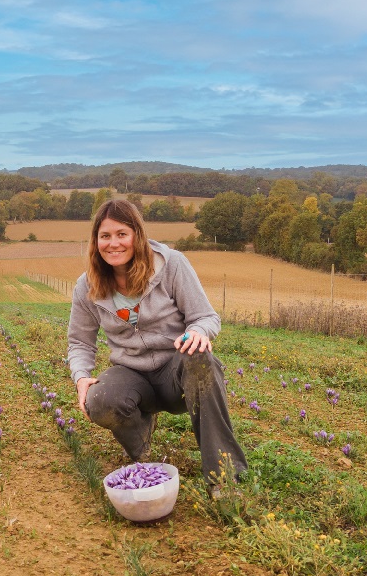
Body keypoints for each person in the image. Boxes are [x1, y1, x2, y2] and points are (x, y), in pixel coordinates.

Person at [67, 198, 246, 495]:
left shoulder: (171, 264)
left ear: (137, 235)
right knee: (100, 400)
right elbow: (79, 341)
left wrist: (198, 331)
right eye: (105, 235)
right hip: (131, 374)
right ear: (95, 241)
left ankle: (224, 477)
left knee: (201, 360)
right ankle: (141, 445)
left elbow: (205, 316)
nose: (113, 243)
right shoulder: (87, 285)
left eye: (122, 234)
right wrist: (81, 377)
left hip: (176, 371)